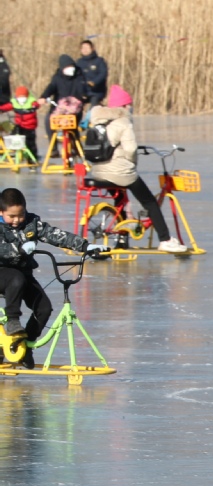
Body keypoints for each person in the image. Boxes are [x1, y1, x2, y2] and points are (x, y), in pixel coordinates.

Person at [0, 188, 103, 368]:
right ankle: (13, 321)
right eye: (11, 216)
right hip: (3, 272)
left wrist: (85, 246)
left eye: (20, 215)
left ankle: (25, 347)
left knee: (44, 308)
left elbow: (56, 235)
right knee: (16, 278)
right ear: (1, 212)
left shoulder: (31, 223)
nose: (16, 220)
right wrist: (20, 249)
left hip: (23, 274)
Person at [87, 85, 188, 253]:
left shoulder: (99, 121)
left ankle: (122, 239)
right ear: (123, 106)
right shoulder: (123, 122)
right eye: (129, 104)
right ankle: (165, 240)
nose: (131, 108)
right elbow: (131, 149)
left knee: (120, 199)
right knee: (149, 202)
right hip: (120, 172)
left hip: (99, 172)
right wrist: (131, 163)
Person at [39, 55, 88, 135]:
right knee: (48, 121)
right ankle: (53, 143)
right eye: (68, 67)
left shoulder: (79, 77)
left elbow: (82, 89)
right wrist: (44, 96)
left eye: (72, 66)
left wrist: (84, 96)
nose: (71, 69)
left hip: (74, 110)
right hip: (58, 108)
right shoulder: (57, 77)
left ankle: (74, 141)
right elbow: (51, 87)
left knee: (72, 130)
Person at [0, 87, 42, 160]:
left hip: (30, 126)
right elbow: (6, 106)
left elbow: (37, 105)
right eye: (20, 96)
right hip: (19, 125)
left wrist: (35, 106)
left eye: (23, 96)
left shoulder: (31, 102)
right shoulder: (14, 102)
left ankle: (32, 158)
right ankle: (15, 152)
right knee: (14, 137)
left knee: (30, 143)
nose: (21, 98)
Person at [77, 40, 109, 108]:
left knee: (93, 108)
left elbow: (103, 73)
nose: (85, 50)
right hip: (83, 91)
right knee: (76, 106)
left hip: (96, 91)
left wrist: (94, 82)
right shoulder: (79, 62)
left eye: (87, 48)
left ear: (92, 48)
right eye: (83, 48)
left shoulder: (99, 61)